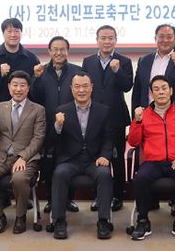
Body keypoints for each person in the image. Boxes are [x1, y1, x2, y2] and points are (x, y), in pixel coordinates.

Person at [127, 75, 175, 241]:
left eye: (164, 88)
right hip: (152, 162)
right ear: (151, 94)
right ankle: (143, 220)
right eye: (156, 89)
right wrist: (137, 122)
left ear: (171, 91)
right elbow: (133, 142)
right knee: (140, 178)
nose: (161, 92)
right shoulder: (144, 114)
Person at [0, 71, 46, 234]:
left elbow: (38, 138)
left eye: (22, 85)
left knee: (19, 179)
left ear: (28, 88)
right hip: (0, 156)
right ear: (9, 87)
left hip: (26, 158)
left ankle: (20, 216)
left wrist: (23, 157)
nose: (18, 89)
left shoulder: (38, 110)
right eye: (15, 85)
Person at [50, 72, 114, 240]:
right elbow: (52, 141)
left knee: (104, 174)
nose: (81, 90)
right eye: (77, 86)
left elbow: (108, 139)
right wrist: (58, 126)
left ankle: (103, 221)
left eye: (85, 86)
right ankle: (59, 221)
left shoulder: (103, 111)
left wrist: (105, 156)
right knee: (59, 173)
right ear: (71, 89)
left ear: (91, 87)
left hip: (94, 160)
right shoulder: (62, 110)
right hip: (70, 160)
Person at [82, 25, 133, 212]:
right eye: (103, 38)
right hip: (94, 117)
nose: (107, 41)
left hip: (116, 118)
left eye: (110, 38)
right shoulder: (88, 61)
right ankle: (99, 196)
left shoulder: (124, 61)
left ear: (116, 40)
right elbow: (84, 87)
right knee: (96, 158)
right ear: (97, 40)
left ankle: (118, 196)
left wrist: (118, 71)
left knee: (117, 159)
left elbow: (127, 86)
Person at [30, 36, 82, 213]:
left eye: (62, 49)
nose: (59, 53)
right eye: (55, 49)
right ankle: (52, 200)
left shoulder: (77, 71)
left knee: (70, 159)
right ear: (49, 51)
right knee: (49, 162)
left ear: (68, 51)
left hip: (72, 123)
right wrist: (36, 78)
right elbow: (34, 97)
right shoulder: (41, 71)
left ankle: (69, 199)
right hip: (47, 124)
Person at [132, 24, 175, 112]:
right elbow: (137, 91)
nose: (165, 40)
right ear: (155, 38)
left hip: (174, 114)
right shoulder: (144, 61)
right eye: (161, 36)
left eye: (169, 37)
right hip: (147, 113)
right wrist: (135, 114)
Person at [0, 18, 39, 103]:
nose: (13, 35)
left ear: (21, 33)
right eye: (9, 32)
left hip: (26, 108)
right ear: (3, 34)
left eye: (16, 31)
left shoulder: (32, 58)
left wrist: (37, 76)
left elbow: (36, 89)